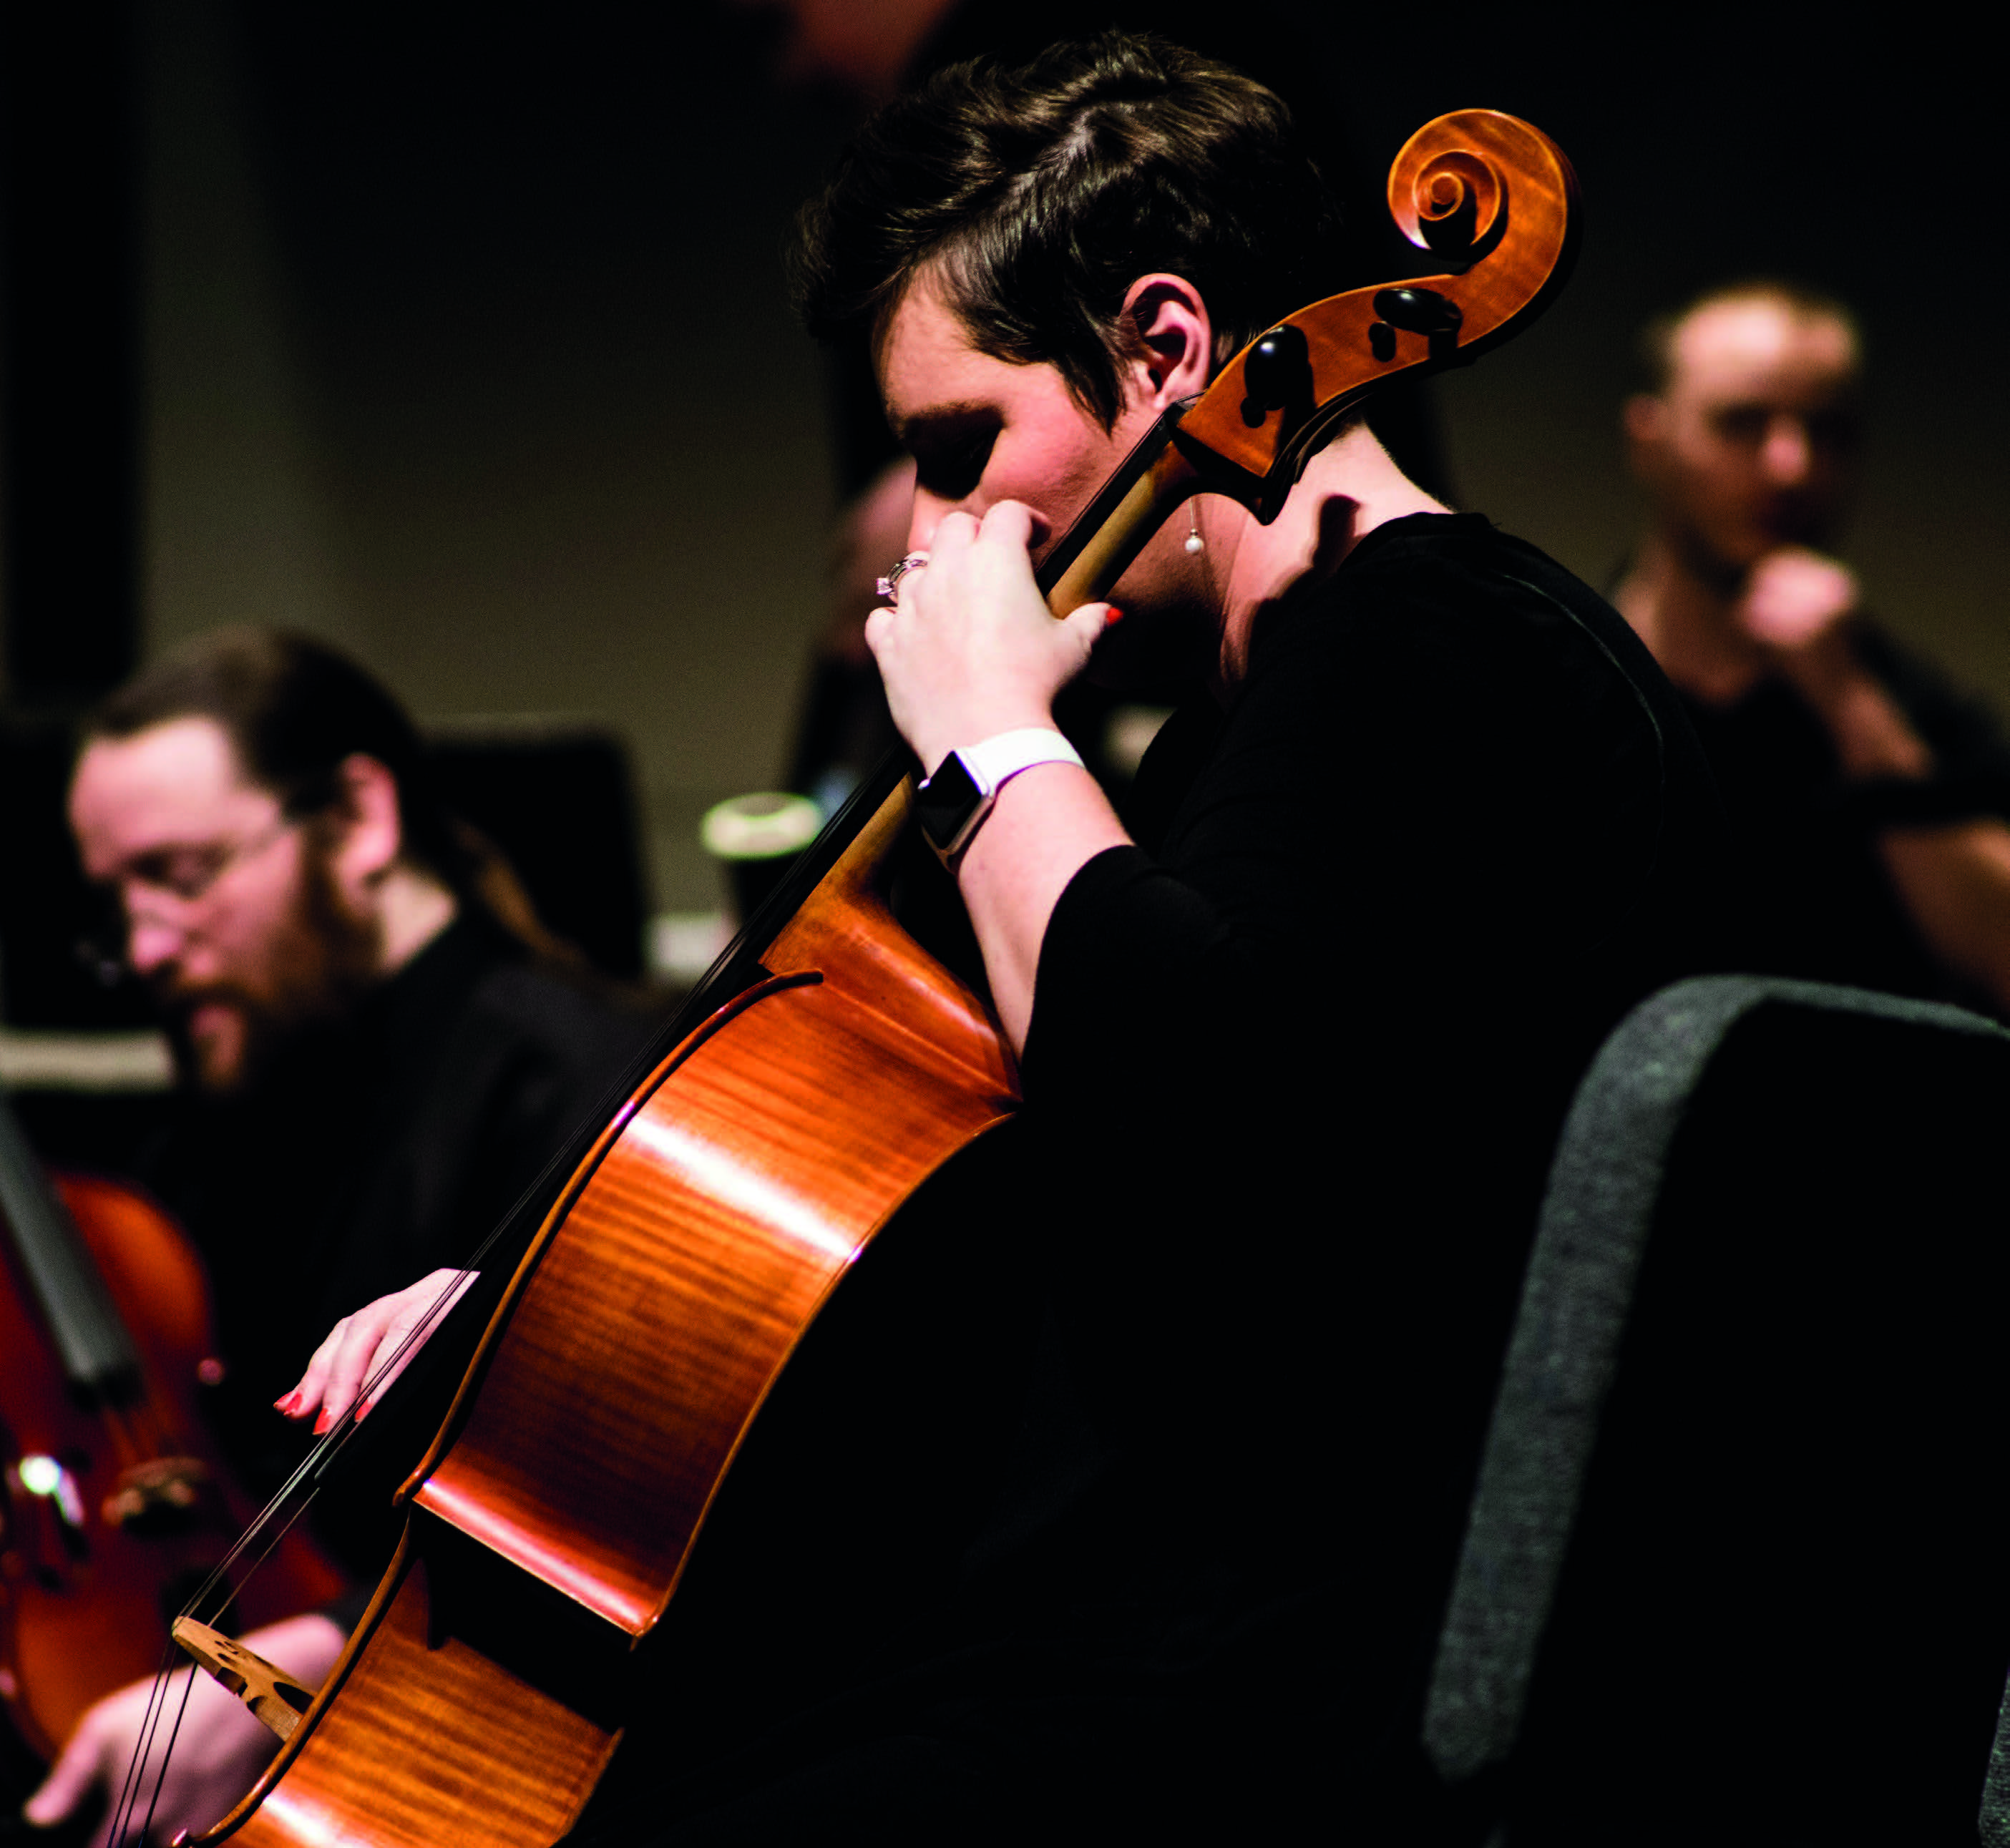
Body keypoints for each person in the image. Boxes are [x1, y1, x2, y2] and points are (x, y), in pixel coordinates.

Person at [283, 34, 1723, 1838]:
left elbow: (1194, 1138)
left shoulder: (1441, 649)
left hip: (1280, 1712)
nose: (941, 529)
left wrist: (989, 742)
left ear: (1166, 348)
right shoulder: (1240, 730)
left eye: (962, 447)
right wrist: (550, 1334)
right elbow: (984, 1221)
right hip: (1175, 1657)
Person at [24, 628, 653, 1846]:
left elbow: (624, 1516)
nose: (147, 946)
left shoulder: (587, 1084)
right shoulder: (231, 1111)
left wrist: (304, 1662)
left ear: (358, 819)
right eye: (118, 900)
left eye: (184, 873)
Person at [1614, 280, 2010, 1012]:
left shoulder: (1905, 704)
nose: (1790, 467)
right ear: (1651, 440)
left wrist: (1849, 700)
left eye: (1827, 432)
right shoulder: (1570, 676)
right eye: (1741, 424)